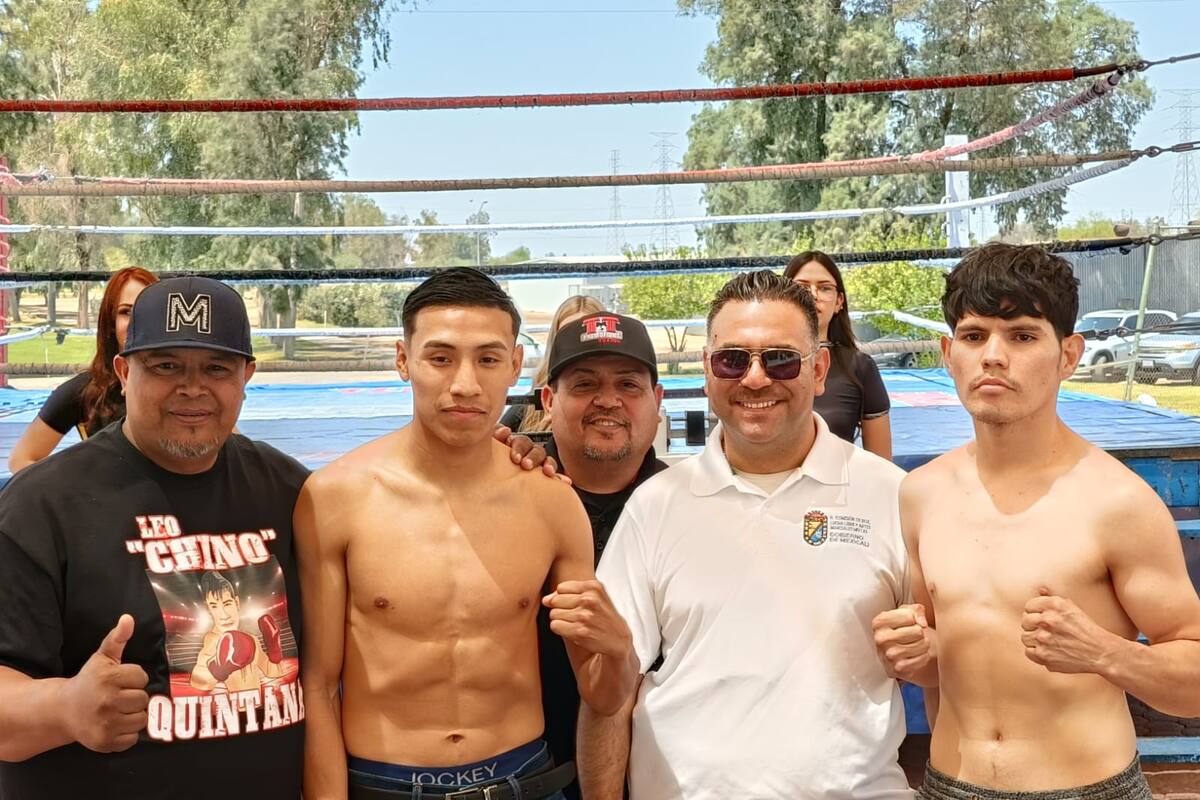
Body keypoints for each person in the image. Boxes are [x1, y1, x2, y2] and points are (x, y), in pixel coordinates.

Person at [296, 267, 638, 800]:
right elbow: (317, 688)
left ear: (516, 366)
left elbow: (602, 694)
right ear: (403, 360)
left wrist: (619, 652)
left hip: (523, 777)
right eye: (440, 357)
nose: (465, 384)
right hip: (382, 781)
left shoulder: (551, 502)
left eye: (487, 358)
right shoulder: (335, 497)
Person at [873, 243, 1200, 800]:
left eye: (1022, 336)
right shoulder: (920, 494)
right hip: (949, 785)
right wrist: (913, 654)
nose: (994, 356)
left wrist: (1104, 652)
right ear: (948, 352)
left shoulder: (1117, 502)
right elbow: (934, 664)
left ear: (1068, 354)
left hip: (1087, 787)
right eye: (975, 336)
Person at [579, 270, 914, 800]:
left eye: (780, 359)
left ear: (820, 368)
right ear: (709, 373)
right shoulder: (657, 504)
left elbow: (950, 663)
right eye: (732, 359)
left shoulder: (893, 495)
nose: (755, 379)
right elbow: (611, 689)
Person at [0, 276, 309, 799]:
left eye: (217, 368)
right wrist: (65, 709)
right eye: (165, 365)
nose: (192, 387)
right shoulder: (41, 504)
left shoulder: (293, 491)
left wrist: (493, 456)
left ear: (247, 376)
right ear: (123, 372)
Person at [536, 311, 667, 799]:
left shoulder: (692, 507)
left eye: (628, 385)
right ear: (549, 401)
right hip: (529, 773)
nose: (607, 400)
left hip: (662, 773)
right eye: (585, 383)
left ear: (657, 400)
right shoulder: (507, 493)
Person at [8, 266, 158, 472]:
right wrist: (74, 498)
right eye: (126, 311)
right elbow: (22, 460)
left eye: (146, 311)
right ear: (111, 322)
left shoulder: (185, 387)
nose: (136, 321)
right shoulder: (85, 391)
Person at [785, 251, 892, 459]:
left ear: (839, 302)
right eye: (802, 287)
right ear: (782, 296)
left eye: (825, 288)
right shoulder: (758, 363)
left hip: (840, 489)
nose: (813, 294)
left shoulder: (860, 367)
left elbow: (883, 466)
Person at [499, 294, 604, 433]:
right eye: (568, 337)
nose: (578, 346)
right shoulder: (526, 409)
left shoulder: (626, 407)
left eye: (588, 335)